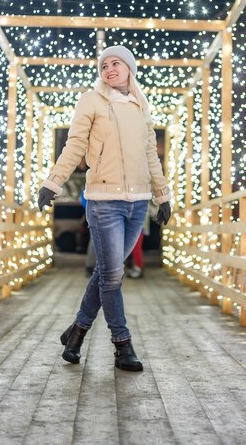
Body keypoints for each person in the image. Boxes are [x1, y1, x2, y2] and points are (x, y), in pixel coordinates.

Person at [38, 45, 171, 371]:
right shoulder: (91, 100)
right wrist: (52, 182)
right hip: (103, 201)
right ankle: (122, 344)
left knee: (106, 272)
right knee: (113, 274)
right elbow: (76, 145)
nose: (109, 69)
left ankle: (77, 332)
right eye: (104, 65)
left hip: (138, 204)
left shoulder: (141, 104)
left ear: (129, 68)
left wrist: (162, 195)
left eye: (116, 63)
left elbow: (150, 154)